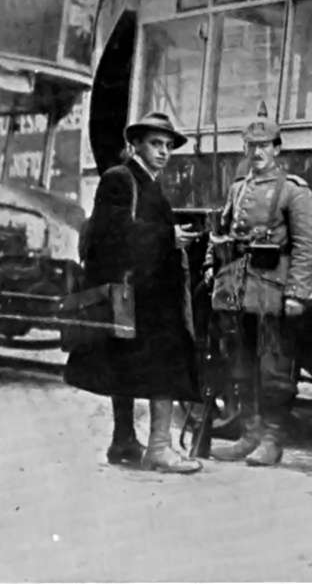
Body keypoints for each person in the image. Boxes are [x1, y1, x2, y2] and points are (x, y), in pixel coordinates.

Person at [65, 112, 204, 474]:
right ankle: (159, 447)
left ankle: (123, 441)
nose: (164, 152)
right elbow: (113, 233)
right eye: (156, 144)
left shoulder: (145, 181)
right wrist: (168, 236)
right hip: (141, 294)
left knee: (125, 365)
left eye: (168, 146)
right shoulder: (120, 179)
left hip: (144, 293)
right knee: (165, 365)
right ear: (135, 145)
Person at [203, 116, 312, 467]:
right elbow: (222, 231)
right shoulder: (238, 188)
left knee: (273, 368)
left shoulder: (293, 191)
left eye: (264, 146)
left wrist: (297, 292)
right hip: (239, 290)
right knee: (240, 364)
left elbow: (308, 247)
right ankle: (250, 433)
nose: (257, 152)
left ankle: (272, 438)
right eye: (251, 146)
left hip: (272, 290)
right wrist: (212, 264)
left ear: (277, 149)